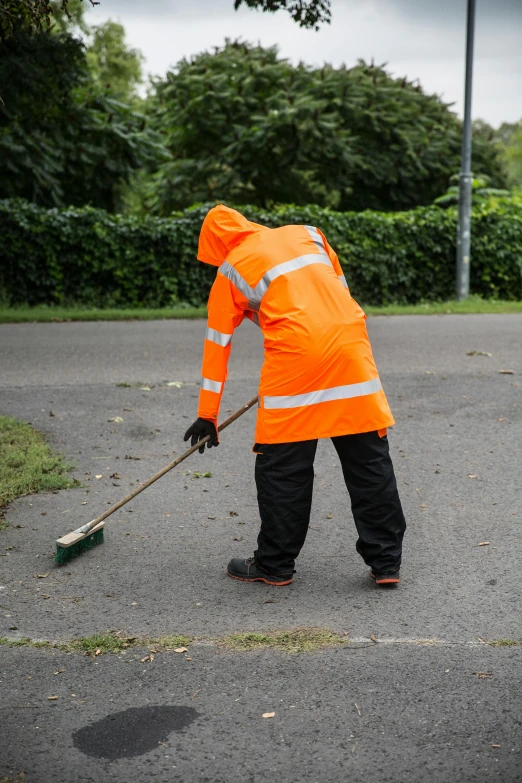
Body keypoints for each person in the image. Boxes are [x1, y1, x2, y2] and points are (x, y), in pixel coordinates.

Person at [184, 205, 406, 587]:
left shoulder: (231, 269)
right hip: (351, 350)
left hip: (294, 363)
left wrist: (208, 415)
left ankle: (274, 564)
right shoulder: (308, 233)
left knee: (283, 468)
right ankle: (386, 563)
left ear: (216, 246)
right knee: (368, 462)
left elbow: (217, 345)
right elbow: (340, 291)